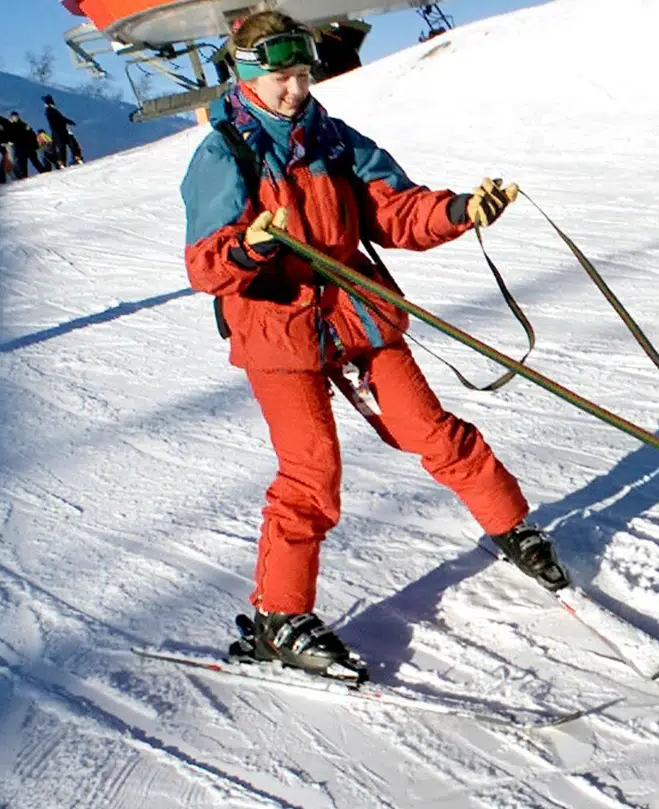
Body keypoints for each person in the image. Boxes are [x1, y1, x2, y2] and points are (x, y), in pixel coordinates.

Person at [180, 10, 567, 682]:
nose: (296, 89)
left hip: (355, 315)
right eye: (282, 78)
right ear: (247, 77)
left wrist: (457, 209)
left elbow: (393, 208)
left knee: (433, 428)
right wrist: (251, 246)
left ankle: (514, 527)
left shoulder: (329, 137)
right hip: (280, 331)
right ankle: (280, 615)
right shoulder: (225, 153)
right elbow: (206, 264)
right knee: (311, 471)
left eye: (302, 74)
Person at [42, 94, 83, 165]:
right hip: (60, 132)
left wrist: (67, 121)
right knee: (70, 144)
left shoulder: (50, 110)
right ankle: (74, 159)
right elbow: (60, 119)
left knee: (63, 147)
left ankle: (63, 162)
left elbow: (60, 119)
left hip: (58, 132)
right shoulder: (51, 111)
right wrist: (68, 121)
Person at [6, 112, 45, 179]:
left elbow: (32, 135)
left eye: (16, 116)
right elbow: (9, 138)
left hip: (29, 147)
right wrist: (10, 142)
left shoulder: (24, 125)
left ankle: (43, 172)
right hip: (20, 149)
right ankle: (24, 177)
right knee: (23, 164)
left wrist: (35, 145)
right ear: (11, 118)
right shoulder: (10, 127)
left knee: (35, 161)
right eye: (13, 117)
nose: (15, 118)